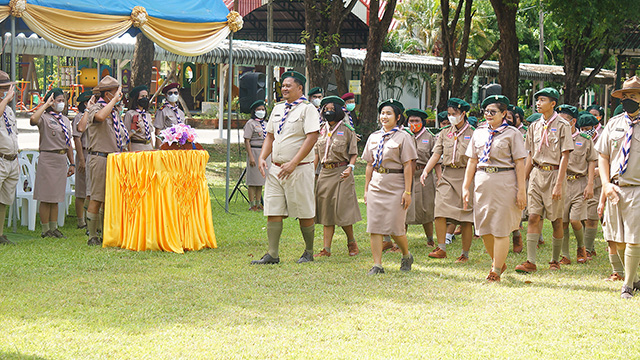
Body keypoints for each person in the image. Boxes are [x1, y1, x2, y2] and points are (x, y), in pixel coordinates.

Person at [251, 71, 320, 265]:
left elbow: (312, 137)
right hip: (276, 168)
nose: (284, 88)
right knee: (273, 208)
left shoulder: (308, 110)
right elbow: (270, 136)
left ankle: (308, 251)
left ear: (300, 88)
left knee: (304, 211)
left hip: (299, 169)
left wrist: (294, 163)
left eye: (289, 85)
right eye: (283, 85)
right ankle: (272, 254)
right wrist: (264, 157)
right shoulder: (278, 108)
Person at [462, 95, 527, 282]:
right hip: (483, 181)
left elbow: (519, 163)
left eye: (493, 112)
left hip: (505, 180)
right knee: (483, 227)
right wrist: (466, 187)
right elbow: (472, 161)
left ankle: (496, 270)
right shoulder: (479, 132)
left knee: (501, 227)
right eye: (486, 111)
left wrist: (521, 190)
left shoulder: (512, 134)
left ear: (504, 113)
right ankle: (498, 260)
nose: (488, 115)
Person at [515, 88, 574, 273]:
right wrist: (522, 182)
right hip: (536, 175)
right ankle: (530, 261)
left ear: (553, 103)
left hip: (555, 174)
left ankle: (555, 260)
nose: (538, 103)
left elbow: (565, 156)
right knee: (533, 216)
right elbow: (530, 156)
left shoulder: (563, 125)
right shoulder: (534, 126)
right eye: (537, 100)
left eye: (542, 100)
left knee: (556, 220)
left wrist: (558, 183)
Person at [596, 76, 640, 298]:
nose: (627, 101)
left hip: (637, 189)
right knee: (619, 239)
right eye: (624, 97)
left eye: (632, 97)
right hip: (615, 188)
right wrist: (605, 184)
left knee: (634, 238)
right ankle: (634, 277)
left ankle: (628, 285)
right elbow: (603, 156)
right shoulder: (614, 124)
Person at [362, 99, 417, 274]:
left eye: (389, 113)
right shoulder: (374, 137)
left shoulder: (404, 137)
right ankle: (377, 265)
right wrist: (366, 189)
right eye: (382, 113)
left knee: (395, 227)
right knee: (375, 225)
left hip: (396, 184)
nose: (384, 116)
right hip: (377, 184)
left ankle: (406, 255)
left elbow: (408, 165)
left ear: (398, 117)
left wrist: (407, 191)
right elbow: (370, 164)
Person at [420, 98, 475, 263]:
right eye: (449, 114)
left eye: (454, 114)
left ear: (463, 114)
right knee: (439, 211)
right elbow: (436, 154)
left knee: (466, 218)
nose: (451, 117)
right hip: (448, 175)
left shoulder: (473, 133)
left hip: (467, 176)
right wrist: (426, 170)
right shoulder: (445, 133)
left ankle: (465, 254)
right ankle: (441, 248)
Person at [313, 96, 361, 257]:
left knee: (342, 210)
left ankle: (351, 242)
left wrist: (350, 168)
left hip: (342, 173)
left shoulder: (347, 129)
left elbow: (353, 153)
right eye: (326, 109)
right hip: (325, 173)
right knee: (326, 211)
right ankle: (326, 249)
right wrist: (313, 172)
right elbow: (316, 154)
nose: (328, 112)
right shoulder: (320, 129)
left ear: (339, 111)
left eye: (332, 109)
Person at [85, 76, 128, 246]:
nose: (119, 95)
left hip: (114, 159)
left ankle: (105, 233)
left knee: (109, 198)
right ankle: (92, 236)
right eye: (116, 92)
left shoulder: (115, 112)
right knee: (96, 197)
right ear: (107, 94)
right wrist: (113, 102)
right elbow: (101, 117)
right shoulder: (96, 107)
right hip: (100, 158)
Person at [30, 88, 75, 238]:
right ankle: (45, 229)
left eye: (63, 100)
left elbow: (68, 143)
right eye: (58, 100)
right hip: (48, 158)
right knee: (46, 196)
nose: (61, 103)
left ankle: (54, 227)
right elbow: (33, 120)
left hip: (61, 159)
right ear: (51, 101)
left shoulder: (65, 120)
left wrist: (72, 163)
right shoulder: (44, 117)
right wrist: (45, 104)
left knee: (56, 197)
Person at [555, 106, 597, 265]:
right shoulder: (556, 139)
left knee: (574, 220)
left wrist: (590, 184)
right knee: (563, 221)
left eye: (564, 121)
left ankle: (581, 247)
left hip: (580, 183)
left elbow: (592, 161)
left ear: (573, 122)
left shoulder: (584, 139)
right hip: (563, 183)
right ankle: (565, 255)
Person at [406, 108, 440, 247]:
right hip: (407, 176)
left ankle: (430, 239)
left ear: (423, 122)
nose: (414, 123)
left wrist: (439, 178)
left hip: (424, 176)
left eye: (417, 121)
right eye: (411, 121)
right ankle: (399, 242)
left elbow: (436, 159)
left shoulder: (430, 137)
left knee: (426, 207)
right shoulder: (404, 135)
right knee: (404, 208)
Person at [0, 73, 18, 245]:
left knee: (4, 200)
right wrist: (5, 100)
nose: (9, 91)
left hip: (11, 160)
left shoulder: (9, 110)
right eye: (5, 88)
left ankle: (0, 234)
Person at [243, 100, 270, 211]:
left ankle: (259, 204)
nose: (261, 112)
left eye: (263, 109)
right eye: (259, 110)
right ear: (254, 111)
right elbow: (247, 140)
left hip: (263, 153)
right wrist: (251, 156)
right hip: (254, 151)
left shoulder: (265, 123)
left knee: (260, 181)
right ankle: (252, 204)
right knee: (252, 181)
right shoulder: (250, 123)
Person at [72, 90, 93, 229]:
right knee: (81, 190)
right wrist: (81, 159)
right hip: (83, 153)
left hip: (93, 153)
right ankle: (81, 220)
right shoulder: (80, 117)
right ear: (86, 103)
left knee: (91, 190)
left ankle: (89, 218)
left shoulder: (93, 116)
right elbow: (77, 138)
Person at [153, 83, 184, 148]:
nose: (173, 95)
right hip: (166, 144)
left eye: (175, 93)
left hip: (179, 145)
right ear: (166, 95)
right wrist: (160, 148)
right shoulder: (162, 111)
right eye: (170, 93)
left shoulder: (180, 112)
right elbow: (157, 132)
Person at [124, 85, 154, 151]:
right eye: (142, 96)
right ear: (136, 98)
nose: (145, 98)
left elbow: (150, 135)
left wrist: (152, 149)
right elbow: (127, 136)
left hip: (148, 147)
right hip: (137, 147)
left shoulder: (147, 115)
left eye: (146, 96)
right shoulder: (130, 114)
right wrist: (130, 152)